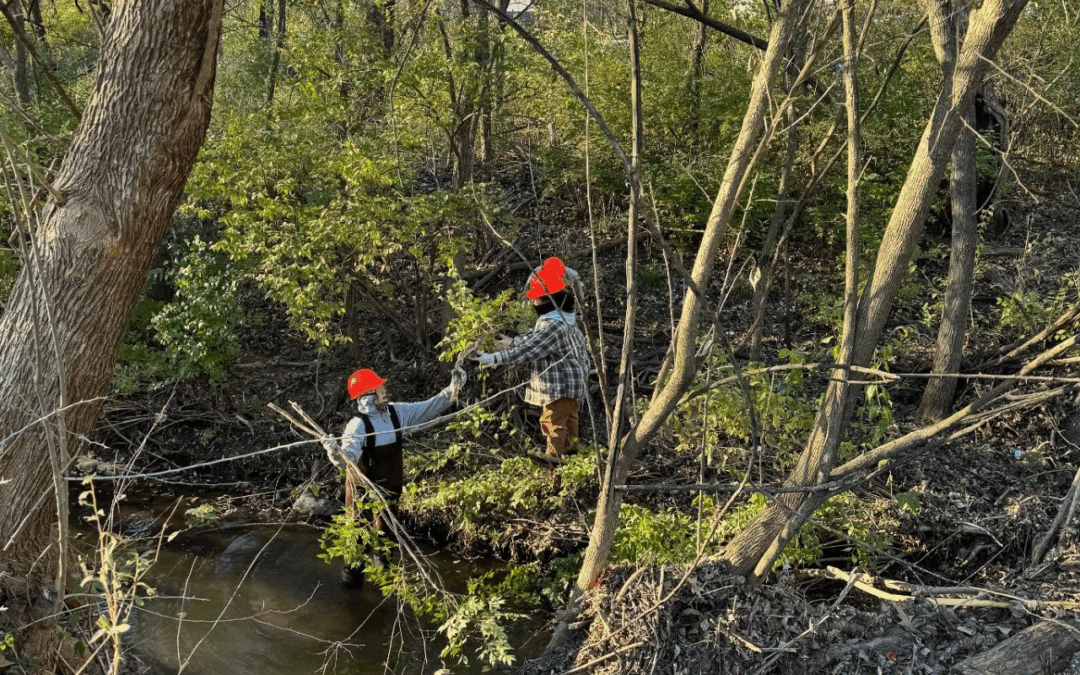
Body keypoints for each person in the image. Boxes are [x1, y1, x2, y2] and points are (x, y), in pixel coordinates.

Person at [324, 366, 466, 588]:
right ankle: (351, 588)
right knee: (357, 541)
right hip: (362, 494)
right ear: (368, 396)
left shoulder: (397, 413)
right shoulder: (357, 426)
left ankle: (384, 583)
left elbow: (430, 407)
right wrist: (335, 453)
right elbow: (347, 459)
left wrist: (453, 388)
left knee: (387, 537)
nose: (385, 390)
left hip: (389, 492)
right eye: (380, 387)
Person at [474, 257, 590, 459]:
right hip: (574, 382)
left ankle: (554, 457)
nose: (533, 302)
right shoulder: (564, 319)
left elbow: (530, 350)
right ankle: (572, 455)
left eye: (535, 298)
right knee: (569, 420)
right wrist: (513, 342)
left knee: (551, 421)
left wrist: (494, 358)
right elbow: (535, 340)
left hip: (560, 384)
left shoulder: (552, 325)